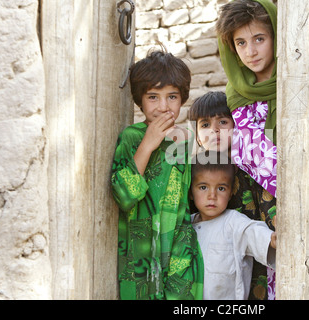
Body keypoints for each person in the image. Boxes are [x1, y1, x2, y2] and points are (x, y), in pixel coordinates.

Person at [110, 49, 203, 300]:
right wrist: (147, 145)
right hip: (140, 251)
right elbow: (124, 195)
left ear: (182, 99)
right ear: (140, 100)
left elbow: (185, 195)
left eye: (172, 96)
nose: (163, 107)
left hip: (178, 247)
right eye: (153, 97)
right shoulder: (132, 137)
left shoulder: (186, 139)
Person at [216, 0, 278, 298]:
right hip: (251, 210)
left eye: (259, 39)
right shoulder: (235, 92)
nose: (250, 52)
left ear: (276, 36)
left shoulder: (299, 80)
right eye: (241, 42)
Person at [188, 91, 276, 299]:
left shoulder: (250, 168)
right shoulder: (190, 172)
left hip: (255, 254)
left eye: (223, 122)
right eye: (205, 125)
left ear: (236, 127)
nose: (215, 131)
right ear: (198, 138)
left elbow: (267, 203)